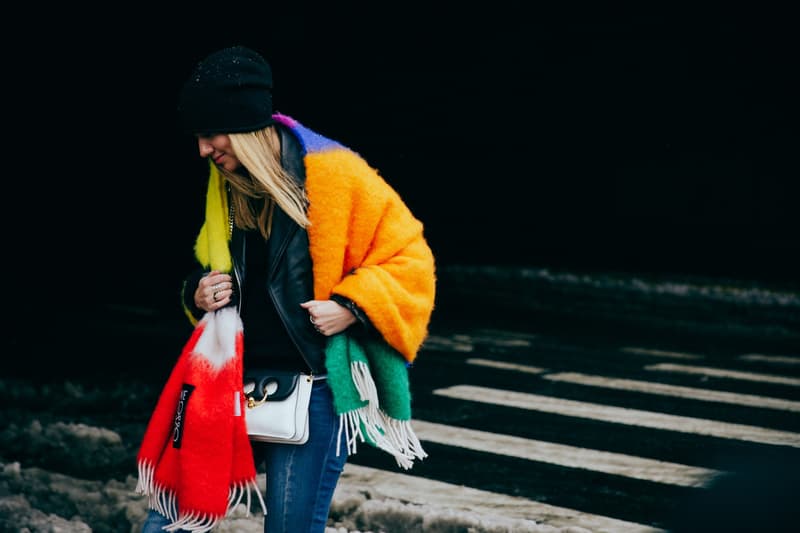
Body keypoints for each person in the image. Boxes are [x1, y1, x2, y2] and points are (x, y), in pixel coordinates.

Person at [135, 45, 436, 533]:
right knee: (169, 520)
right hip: (226, 378)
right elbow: (211, 263)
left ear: (246, 129)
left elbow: (411, 260)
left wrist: (352, 307)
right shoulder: (225, 182)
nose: (203, 151)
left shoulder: (335, 175)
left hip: (315, 389)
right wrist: (199, 290)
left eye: (210, 135)